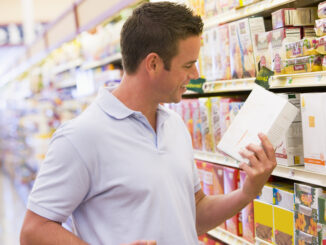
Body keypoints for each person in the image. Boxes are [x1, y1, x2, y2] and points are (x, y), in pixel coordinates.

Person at [20, 2, 277, 245]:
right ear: (153, 64)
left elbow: (194, 214)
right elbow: (33, 230)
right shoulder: (80, 137)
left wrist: (246, 192)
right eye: (188, 65)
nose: (195, 75)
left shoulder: (174, 125)